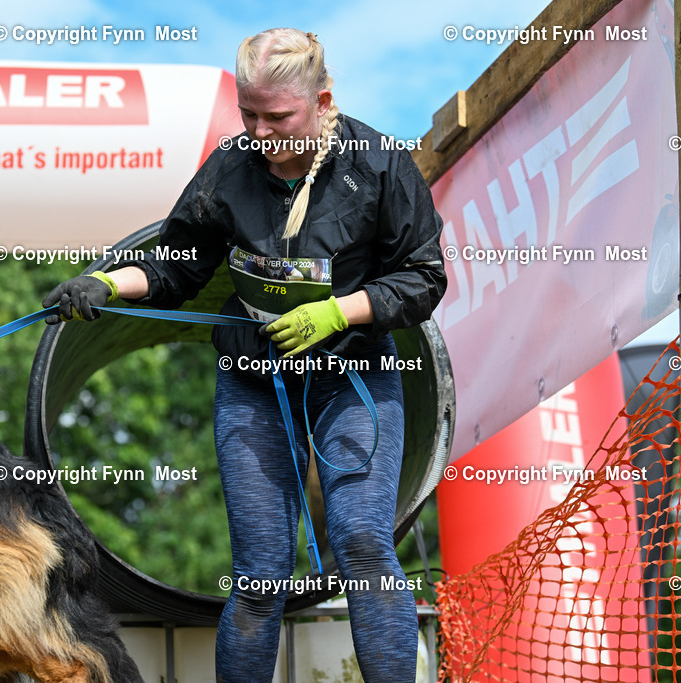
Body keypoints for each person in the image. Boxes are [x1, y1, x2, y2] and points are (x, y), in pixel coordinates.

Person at [44, 28, 446, 683]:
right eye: (248, 114)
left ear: (322, 100)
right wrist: (107, 284)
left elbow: (424, 278)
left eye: (278, 116)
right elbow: (176, 265)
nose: (261, 132)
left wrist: (338, 311)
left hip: (354, 377)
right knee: (260, 573)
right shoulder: (230, 168)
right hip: (254, 380)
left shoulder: (379, 164)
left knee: (363, 544)